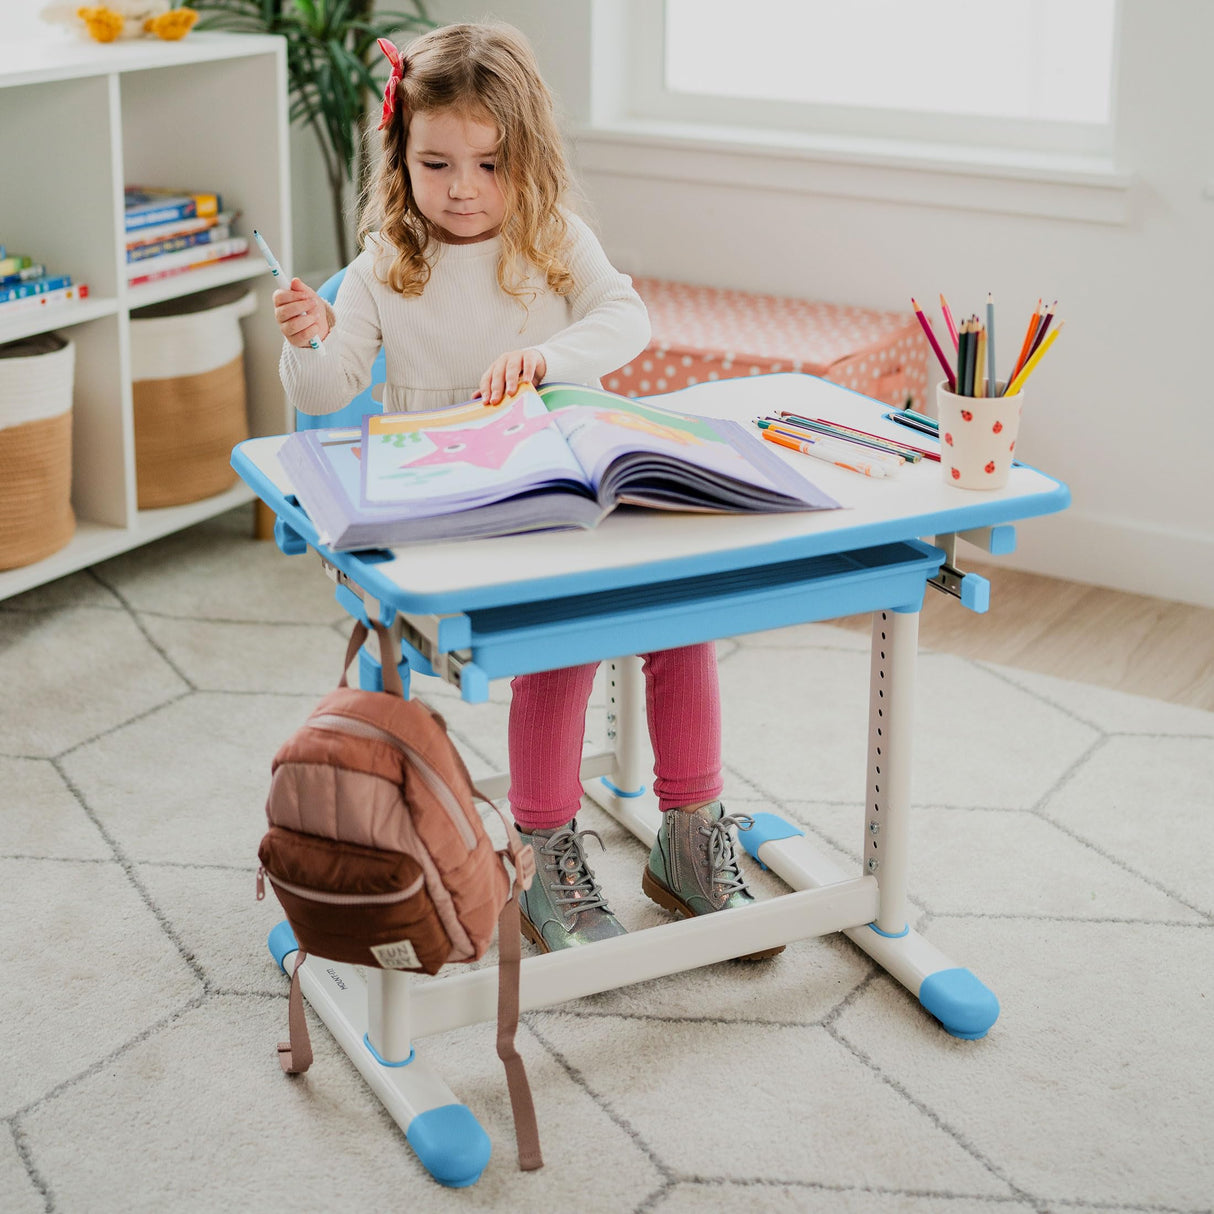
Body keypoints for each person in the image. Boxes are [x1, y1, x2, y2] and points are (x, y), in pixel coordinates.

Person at [272, 22, 779, 959]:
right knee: (569, 636)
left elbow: (627, 316)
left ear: (528, 157)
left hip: (565, 496)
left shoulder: (553, 239)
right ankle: (542, 848)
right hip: (453, 520)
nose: (463, 188)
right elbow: (325, 389)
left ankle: (691, 836)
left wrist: (546, 355)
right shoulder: (387, 261)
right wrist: (309, 334)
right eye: (436, 164)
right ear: (401, 157)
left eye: (490, 163)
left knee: (683, 616)